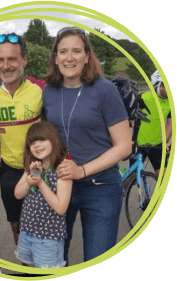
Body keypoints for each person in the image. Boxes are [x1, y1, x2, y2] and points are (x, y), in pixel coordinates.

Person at [42, 26, 132, 264]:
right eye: (63, 51)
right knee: (53, 260)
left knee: (97, 260)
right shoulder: (49, 91)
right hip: (61, 184)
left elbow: (124, 146)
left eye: (76, 51)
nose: (69, 58)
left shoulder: (105, 90)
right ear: (55, 57)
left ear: (87, 56)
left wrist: (81, 170)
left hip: (100, 186)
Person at [0, 33, 43, 245]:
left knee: (39, 222)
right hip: (9, 168)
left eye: (12, 59)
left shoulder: (41, 89)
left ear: (24, 60)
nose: (6, 65)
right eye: (0, 60)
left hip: (37, 165)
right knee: (15, 223)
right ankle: (26, 264)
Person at [14, 122, 72, 268]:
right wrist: (30, 179)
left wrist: (40, 183)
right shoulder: (32, 167)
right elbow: (18, 194)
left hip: (48, 239)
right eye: (33, 142)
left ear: (53, 140)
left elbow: (60, 208)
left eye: (42, 140)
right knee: (30, 270)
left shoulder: (62, 169)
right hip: (26, 232)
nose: (37, 145)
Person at [130, 70, 171, 177]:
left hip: (157, 145)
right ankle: (121, 188)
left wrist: (165, 142)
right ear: (158, 85)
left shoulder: (170, 102)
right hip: (139, 145)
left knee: (165, 177)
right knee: (131, 179)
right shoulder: (143, 97)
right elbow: (126, 118)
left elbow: (170, 124)